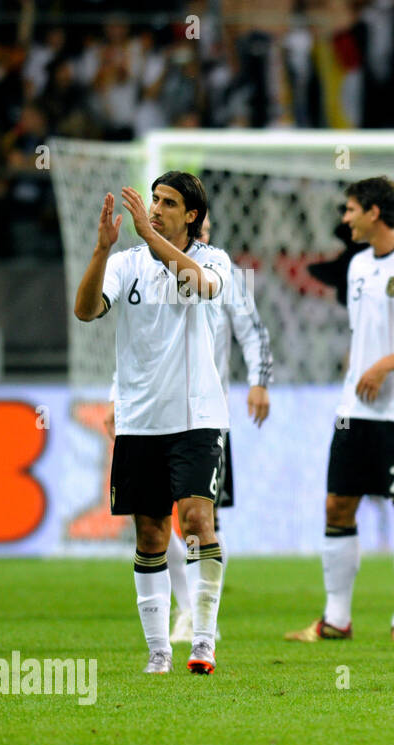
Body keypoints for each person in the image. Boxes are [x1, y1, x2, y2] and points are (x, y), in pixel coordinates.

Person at [286, 176, 394, 645]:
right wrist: (362, 362)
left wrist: (384, 364)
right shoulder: (359, 265)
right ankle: (336, 619)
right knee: (338, 505)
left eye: (350, 210)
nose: (345, 219)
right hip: (353, 410)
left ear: (374, 212)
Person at [73, 171, 232, 675]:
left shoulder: (212, 260)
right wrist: (101, 250)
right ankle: (159, 651)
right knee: (149, 534)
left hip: (196, 418)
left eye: (168, 203)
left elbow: (202, 288)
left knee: (197, 520)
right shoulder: (126, 265)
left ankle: (203, 641)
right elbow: (84, 311)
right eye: (155, 200)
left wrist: (151, 236)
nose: (157, 208)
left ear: (191, 215)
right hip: (140, 421)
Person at [104, 214, 274, 643]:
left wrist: (259, 381)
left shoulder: (220, 269)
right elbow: (141, 345)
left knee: (201, 520)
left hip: (203, 414)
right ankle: (186, 608)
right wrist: (114, 395)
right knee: (157, 522)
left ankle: (202, 619)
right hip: (151, 416)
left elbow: (252, 330)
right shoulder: (137, 267)